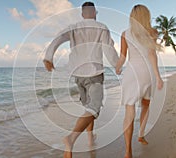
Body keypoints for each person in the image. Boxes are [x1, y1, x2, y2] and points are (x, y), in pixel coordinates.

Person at [43, 2, 119, 158]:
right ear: (95, 12)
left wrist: (48, 58)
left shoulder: (74, 27)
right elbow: (109, 49)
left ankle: (90, 137)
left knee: (87, 107)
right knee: (94, 108)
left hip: (78, 74)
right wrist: (117, 66)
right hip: (94, 73)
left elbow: (57, 39)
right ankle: (71, 139)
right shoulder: (101, 27)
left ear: (83, 13)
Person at [115, 4, 163, 158]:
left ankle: (128, 151)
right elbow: (152, 55)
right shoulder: (152, 32)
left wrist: (117, 67)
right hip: (147, 73)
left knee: (129, 112)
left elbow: (122, 57)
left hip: (131, 73)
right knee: (145, 105)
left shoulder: (125, 34)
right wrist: (158, 76)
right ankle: (141, 135)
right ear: (146, 16)